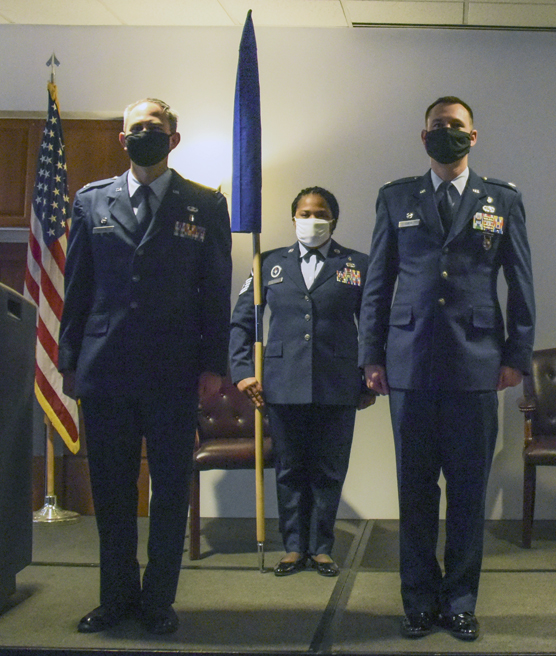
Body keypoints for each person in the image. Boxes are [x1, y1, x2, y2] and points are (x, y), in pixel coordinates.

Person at [358, 96, 536, 641]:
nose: (447, 133)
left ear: (473, 136)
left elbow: (521, 282)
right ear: (424, 135)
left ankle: (460, 600)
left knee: (466, 492)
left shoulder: (502, 198)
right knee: (414, 493)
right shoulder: (396, 197)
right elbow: (377, 284)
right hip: (408, 363)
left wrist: (516, 356)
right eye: (438, 126)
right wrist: (371, 354)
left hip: (475, 366)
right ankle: (417, 600)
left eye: (456, 126)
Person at [58, 98, 232, 634]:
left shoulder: (204, 205)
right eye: (135, 128)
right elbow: (78, 288)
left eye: (153, 128)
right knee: (111, 491)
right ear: (121, 139)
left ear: (173, 138)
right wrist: (69, 362)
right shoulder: (92, 202)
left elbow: (215, 292)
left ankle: (158, 600)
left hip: (173, 372)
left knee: (170, 488)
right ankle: (116, 599)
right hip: (106, 369)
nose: (143, 135)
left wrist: (213, 365)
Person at [229, 186, 374, 578]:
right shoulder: (268, 264)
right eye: (305, 213)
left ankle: (322, 547)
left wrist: (370, 378)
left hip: (338, 383)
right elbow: (243, 321)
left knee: (329, 470)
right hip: (281, 383)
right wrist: (243, 373)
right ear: (293, 218)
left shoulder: (357, 264)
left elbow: (373, 326)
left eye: (321, 213)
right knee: (290, 469)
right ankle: (293, 547)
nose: (312, 220)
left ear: (334, 219)